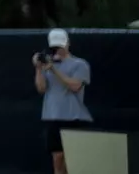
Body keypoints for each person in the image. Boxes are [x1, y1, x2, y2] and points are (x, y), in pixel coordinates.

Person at [36, 28, 91, 174]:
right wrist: (38, 69)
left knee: (75, 161)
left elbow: (75, 86)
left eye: (60, 47)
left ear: (67, 44)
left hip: (74, 117)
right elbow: (41, 88)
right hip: (53, 117)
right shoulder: (47, 65)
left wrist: (54, 69)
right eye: (55, 47)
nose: (58, 50)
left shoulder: (80, 64)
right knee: (58, 159)